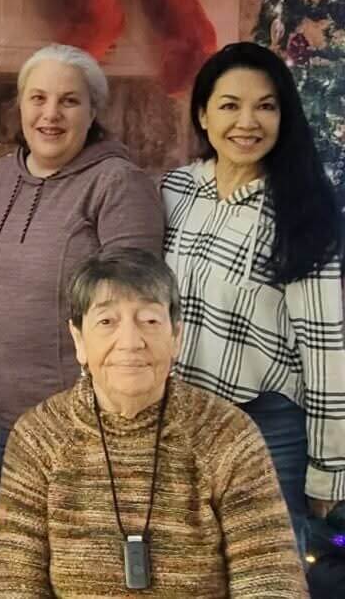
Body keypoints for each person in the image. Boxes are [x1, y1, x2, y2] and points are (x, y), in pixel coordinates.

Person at [0, 247, 307, 597]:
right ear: (79, 340)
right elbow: (12, 576)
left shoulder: (229, 434)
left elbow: (270, 576)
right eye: (107, 322)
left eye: (150, 321)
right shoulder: (38, 437)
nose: (131, 343)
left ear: (175, 337)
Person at [0, 43, 164, 502]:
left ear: (93, 112)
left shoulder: (117, 184)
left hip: (81, 424)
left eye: (69, 100)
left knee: (80, 564)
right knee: (17, 557)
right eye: (38, 98)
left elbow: (134, 310)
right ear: (21, 105)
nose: (51, 114)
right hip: (3, 415)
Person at [162, 42, 345, 553]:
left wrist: (330, 470)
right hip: (182, 423)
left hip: (266, 426)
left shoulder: (301, 207)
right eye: (229, 105)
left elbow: (326, 346)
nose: (248, 121)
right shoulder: (176, 190)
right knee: (193, 563)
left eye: (266, 105)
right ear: (203, 114)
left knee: (265, 570)